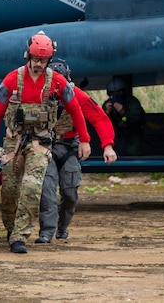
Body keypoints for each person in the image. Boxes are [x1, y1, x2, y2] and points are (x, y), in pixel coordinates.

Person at [0, 31, 91, 254]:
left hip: (40, 143)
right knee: (10, 191)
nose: (39, 64)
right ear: (28, 56)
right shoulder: (11, 80)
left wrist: (85, 141)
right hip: (13, 142)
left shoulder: (58, 82)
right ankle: (11, 228)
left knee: (32, 188)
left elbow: (75, 110)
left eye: (43, 60)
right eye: (36, 59)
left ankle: (19, 237)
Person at [36, 58, 117, 244]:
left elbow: (99, 118)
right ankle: (46, 232)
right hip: (45, 147)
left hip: (69, 146)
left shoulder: (77, 95)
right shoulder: (38, 94)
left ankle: (62, 227)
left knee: (70, 193)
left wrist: (108, 145)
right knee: (47, 192)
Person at [103, 77, 145, 155]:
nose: (116, 95)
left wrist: (123, 112)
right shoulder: (107, 105)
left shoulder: (132, 103)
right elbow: (100, 123)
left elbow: (136, 119)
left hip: (132, 133)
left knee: (133, 151)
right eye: (113, 93)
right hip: (115, 135)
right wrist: (106, 113)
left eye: (118, 92)